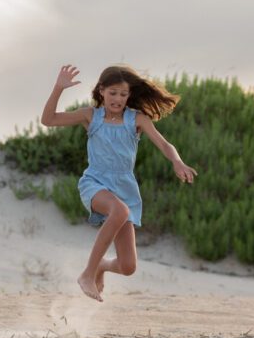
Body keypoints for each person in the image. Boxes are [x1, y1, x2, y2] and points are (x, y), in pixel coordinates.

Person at [41, 64, 196, 302]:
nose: (118, 99)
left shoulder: (137, 119)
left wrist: (177, 161)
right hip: (95, 182)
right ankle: (87, 274)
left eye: (123, 95)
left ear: (129, 96)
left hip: (125, 188)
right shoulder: (91, 116)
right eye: (113, 93)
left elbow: (165, 144)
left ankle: (102, 265)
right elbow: (48, 120)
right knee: (119, 210)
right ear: (101, 90)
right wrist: (58, 88)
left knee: (128, 266)